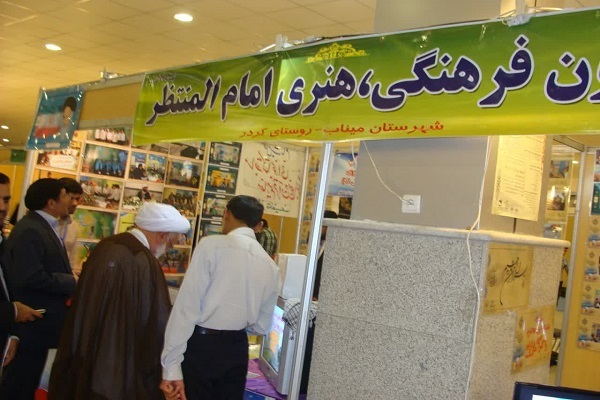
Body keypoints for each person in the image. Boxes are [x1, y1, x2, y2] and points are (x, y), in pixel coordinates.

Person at [48, 203, 190, 400]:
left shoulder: (106, 245)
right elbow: (154, 323)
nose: (168, 250)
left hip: (86, 354)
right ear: (162, 236)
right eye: (171, 244)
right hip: (120, 366)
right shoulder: (143, 260)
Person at [160, 195, 279, 400]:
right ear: (259, 226)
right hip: (237, 348)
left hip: (202, 347)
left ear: (226, 214)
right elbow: (261, 327)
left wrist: (171, 367)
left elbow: (186, 310)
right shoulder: (270, 265)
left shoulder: (210, 246)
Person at [0, 178, 77, 399]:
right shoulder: (31, 229)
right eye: (66, 195)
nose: (71, 201)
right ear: (51, 202)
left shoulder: (42, 226)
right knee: (18, 386)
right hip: (31, 324)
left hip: (34, 326)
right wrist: (70, 281)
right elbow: (30, 276)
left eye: (7, 199)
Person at [0, 173, 44, 369]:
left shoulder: (3, 243)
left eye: (6, 200)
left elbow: (8, 291)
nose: (2, 207)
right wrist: (14, 311)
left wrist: (13, 335)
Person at [57, 178, 83, 272]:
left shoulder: (73, 226)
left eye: (77, 199)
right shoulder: (45, 223)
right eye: (71, 198)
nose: (75, 203)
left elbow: (72, 261)